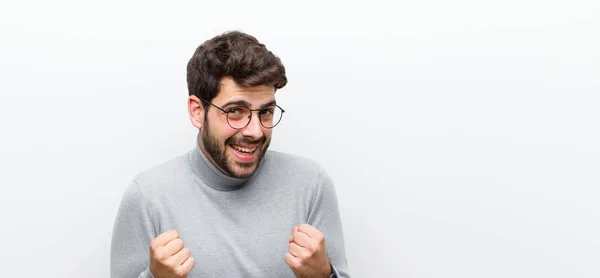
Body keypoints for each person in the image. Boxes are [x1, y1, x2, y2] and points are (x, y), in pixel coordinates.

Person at [110, 30, 349, 278]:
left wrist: (325, 275)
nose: (255, 131)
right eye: (235, 111)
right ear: (197, 111)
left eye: (266, 112)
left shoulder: (310, 184)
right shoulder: (148, 197)